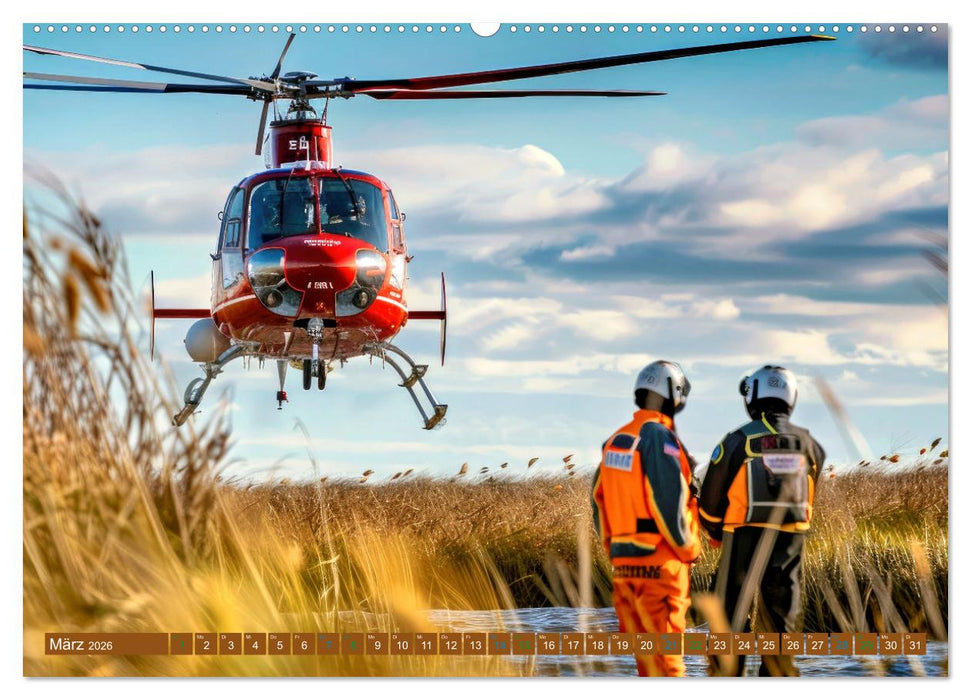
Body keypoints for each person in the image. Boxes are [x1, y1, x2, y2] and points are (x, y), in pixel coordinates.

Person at [699, 365, 826, 676]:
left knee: (729, 619)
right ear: (791, 397)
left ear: (753, 396)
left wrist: (715, 530)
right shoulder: (812, 447)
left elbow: (710, 505)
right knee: (782, 624)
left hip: (740, 539)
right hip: (789, 545)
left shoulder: (737, 440)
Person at [591, 360, 701, 677]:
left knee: (647, 661)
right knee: (667, 661)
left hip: (626, 566)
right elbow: (667, 502)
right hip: (660, 562)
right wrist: (688, 550)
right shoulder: (659, 437)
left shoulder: (616, 440)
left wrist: (614, 548)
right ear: (673, 394)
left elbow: (598, 500)